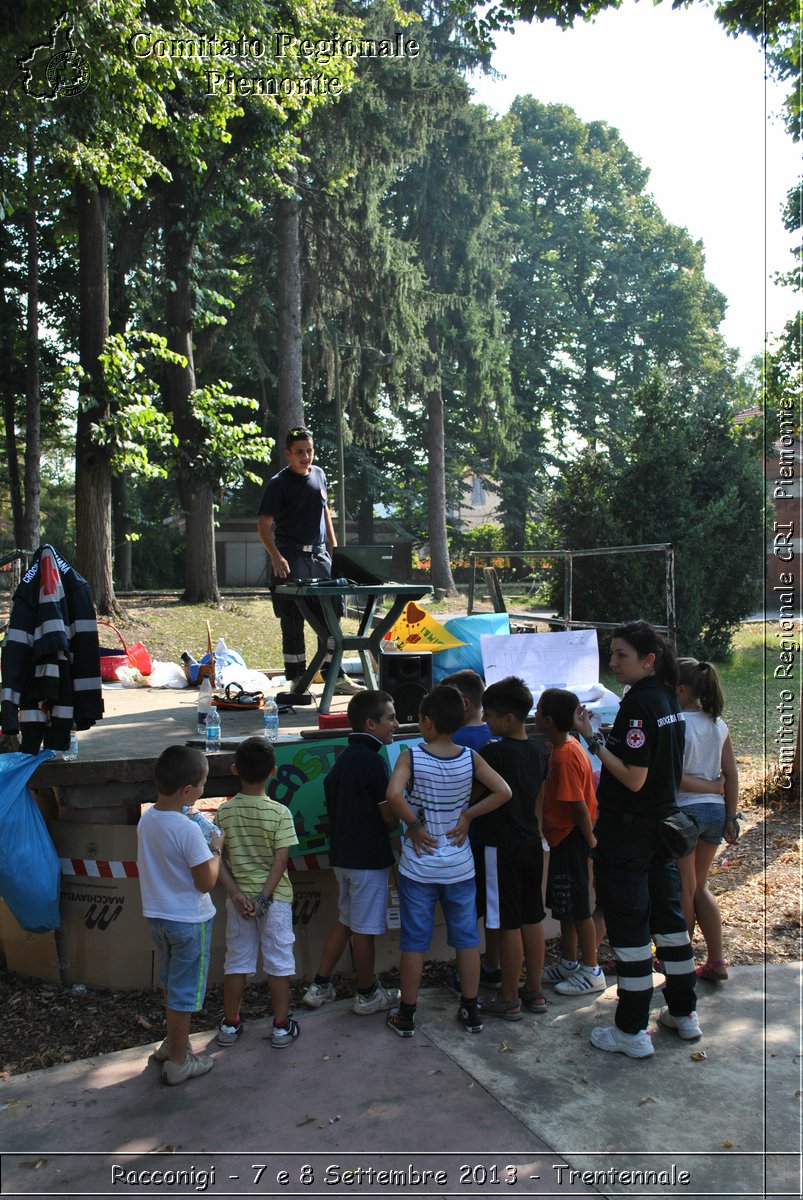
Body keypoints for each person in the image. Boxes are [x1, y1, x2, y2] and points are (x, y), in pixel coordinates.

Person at [574, 620, 698, 1058]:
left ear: (648, 659)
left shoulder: (639, 704)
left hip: (631, 831)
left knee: (629, 928)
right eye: (612, 654)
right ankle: (683, 1013)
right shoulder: (667, 697)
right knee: (668, 923)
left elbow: (632, 776)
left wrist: (592, 740)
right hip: (662, 828)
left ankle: (631, 1030)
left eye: (621, 655)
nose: (613, 662)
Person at [384, 684, 512, 1038]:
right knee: (467, 939)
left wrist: (413, 824)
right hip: (459, 865)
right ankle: (470, 1010)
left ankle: (406, 1014)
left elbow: (393, 794)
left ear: (426, 721)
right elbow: (504, 791)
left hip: (418, 866)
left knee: (414, 940)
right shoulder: (471, 757)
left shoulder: (411, 755)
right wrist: (469, 815)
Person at [302, 690, 402, 1014]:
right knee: (365, 931)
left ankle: (320, 985)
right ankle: (366, 993)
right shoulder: (374, 762)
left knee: (345, 920)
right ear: (371, 724)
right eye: (390, 719)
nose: (396, 725)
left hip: (342, 858)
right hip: (367, 861)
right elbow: (388, 816)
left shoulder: (342, 760)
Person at [137, 746, 224, 1086]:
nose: (204, 789)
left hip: (158, 917)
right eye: (203, 784)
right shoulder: (188, 830)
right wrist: (217, 847)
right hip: (190, 920)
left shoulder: (148, 820)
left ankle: (173, 1043)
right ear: (188, 791)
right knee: (185, 992)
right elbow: (206, 882)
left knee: (170, 982)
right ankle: (178, 1061)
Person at [257, 426, 360, 695]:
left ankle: (335, 675)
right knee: (293, 619)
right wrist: (276, 556)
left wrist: (335, 552)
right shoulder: (278, 484)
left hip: (320, 557)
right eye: (299, 452)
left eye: (309, 451)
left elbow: (326, 514)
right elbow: (264, 525)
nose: (306, 456)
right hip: (291, 557)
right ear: (288, 454)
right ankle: (296, 679)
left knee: (331, 617)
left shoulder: (320, 475)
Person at [213, 737, 300, 1049]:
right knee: (278, 962)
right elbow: (281, 860)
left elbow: (217, 860)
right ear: (274, 772)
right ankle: (280, 1026)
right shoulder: (280, 813)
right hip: (274, 901)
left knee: (237, 961)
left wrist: (237, 895)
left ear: (236, 769)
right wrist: (263, 897)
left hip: (239, 903)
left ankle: (230, 1023)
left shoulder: (223, 813)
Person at [471, 676, 548, 1019]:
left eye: (489, 715)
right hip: (531, 842)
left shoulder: (492, 752)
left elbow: (474, 795)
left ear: (509, 719)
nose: (485, 721)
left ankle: (507, 997)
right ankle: (535, 990)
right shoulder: (538, 750)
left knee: (507, 922)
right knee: (533, 917)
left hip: (499, 846)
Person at [536, 688, 605, 996]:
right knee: (565, 905)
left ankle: (592, 970)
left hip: (573, 839)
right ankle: (568, 962)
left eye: (537, 711)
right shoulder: (566, 746)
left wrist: (590, 840)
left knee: (578, 909)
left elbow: (577, 804)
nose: (534, 716)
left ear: (548, 720)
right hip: (563, 838)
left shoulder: (565, 755)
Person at [675, 657, 740, 982]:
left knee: (685, 889)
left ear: (682, 689)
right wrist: (730, 813)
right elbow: (730, 773)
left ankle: (680, 961)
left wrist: (711, 786)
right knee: (701, 886)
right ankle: (716, 960)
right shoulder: (717, 723)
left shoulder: (677, 725)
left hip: (685, 813)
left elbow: (676, 779)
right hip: (715, 812)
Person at [442, 667, 500, 989]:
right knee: (492, 907)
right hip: (494, 839)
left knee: (465, 913)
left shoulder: (453, 741)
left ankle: (467, 974)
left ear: (463, 704)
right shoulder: (498, 733)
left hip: (461, 840)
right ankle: (490, 965)